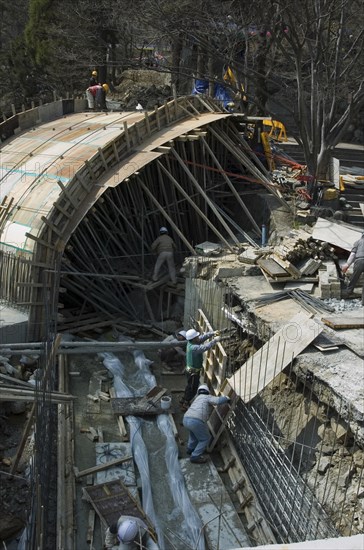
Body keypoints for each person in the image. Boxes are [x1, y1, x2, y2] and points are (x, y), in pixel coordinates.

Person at [183, 383, 230, 463]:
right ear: (207, 391)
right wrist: (226, 397)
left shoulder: (197, 398)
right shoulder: (207, 397)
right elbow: (217, 401)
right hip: (196, 420)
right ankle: (195, 456)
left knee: (193, 434)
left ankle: (190, 449)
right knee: (205, 438)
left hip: (186, 419)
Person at [180, 328, 221, 410]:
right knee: (193, 389)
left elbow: (202, 337)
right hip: (193, 373)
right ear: (194, 339)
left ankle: (183, 399)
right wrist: (214, 341)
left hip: (191, 371)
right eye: (197, 337)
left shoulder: (191, 342)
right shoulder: (194, 348)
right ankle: (185, 404)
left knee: (189, 387)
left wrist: (213, 333)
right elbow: (205, 347)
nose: (199, 337)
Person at [342, 232, 364, 305]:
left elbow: (353, 255)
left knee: (354, 277)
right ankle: (363, 301)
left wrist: (347, 264)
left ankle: (348, 292)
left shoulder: (357, 242)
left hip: (359, 261)